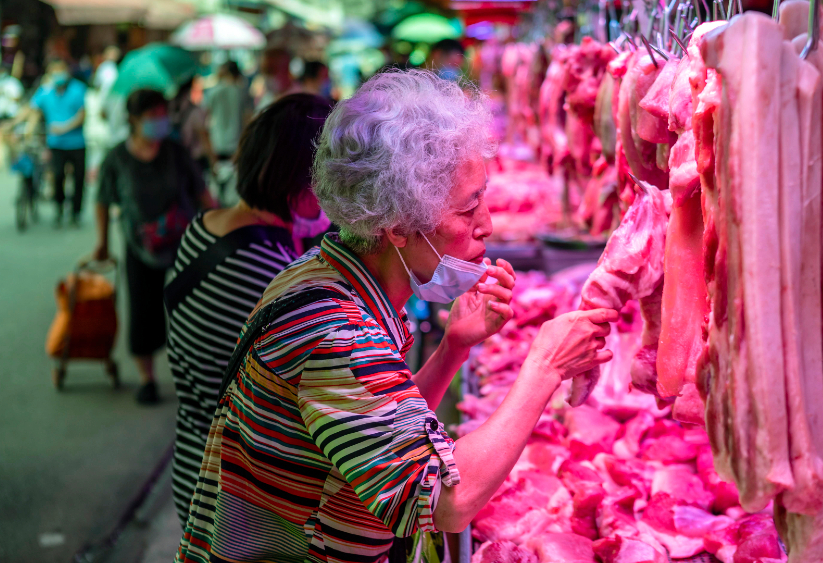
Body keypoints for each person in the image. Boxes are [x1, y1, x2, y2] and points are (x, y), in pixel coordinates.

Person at [175, 69, 616, 563]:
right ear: (398, 226)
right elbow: (443, 500)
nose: (488, 224)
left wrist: (453, 347)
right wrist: (545, 368)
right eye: (468, 208)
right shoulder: (339, 334)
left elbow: (379, 433)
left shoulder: (321, 272)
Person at [166, 93, 334, 522]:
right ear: (301, 183)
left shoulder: (202, 228)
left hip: (194, 459)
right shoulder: (272, 274)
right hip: (236, 493)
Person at [93, 89, 215, 405]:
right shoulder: (117, 158)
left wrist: (222, 226)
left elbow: (202, 193)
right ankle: (147, 378)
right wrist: (102, 242)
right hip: (139, 247)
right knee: (143, 312)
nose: (160, 121)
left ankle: (198, 376)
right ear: (134, 120)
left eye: (163, 115)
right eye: (153, 116)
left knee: (193, 312)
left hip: (186, 245)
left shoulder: (176, 151)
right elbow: (103, 201)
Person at [26, 60, 88, 226]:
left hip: (77, 142)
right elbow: (32, 111)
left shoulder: (78, 89)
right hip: (56, 143)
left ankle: (76, 212)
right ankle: (59, 208)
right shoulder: (45, 92)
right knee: (58, 175)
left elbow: (82, 115)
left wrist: (64, 127)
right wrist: (25, 129)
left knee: (79, 178)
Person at [202, 61, 251, 200]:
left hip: (216, 146)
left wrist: (210, 154)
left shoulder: (213, 92)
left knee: (217, 195)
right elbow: (248, 122)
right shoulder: (243, 92)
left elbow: (204, 122)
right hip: (237, 147)